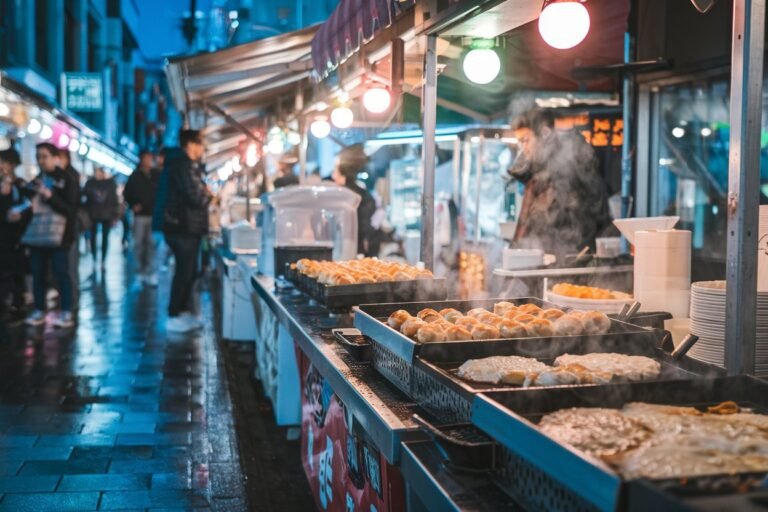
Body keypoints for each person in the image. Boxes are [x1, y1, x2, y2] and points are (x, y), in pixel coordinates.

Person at [508, 109, 611, 259]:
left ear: (544, 134)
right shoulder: (538, 173)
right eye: (520, 143)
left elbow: (585, 217)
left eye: (526, 140)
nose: (524, 149)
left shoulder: (569, 166)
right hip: (544, 260)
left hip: (570, 261)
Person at [24, 143, 79, 328]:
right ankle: (39, 309)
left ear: (56, 157)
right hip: (38, 235)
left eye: (45, 156)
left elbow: (71, 209)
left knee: (61, 273)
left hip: (60, 236)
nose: (41, 160)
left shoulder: (67, 179)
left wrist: (49, 196)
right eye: (38, 156)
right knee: (38, 273)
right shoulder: (37, 180)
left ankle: (66, 311)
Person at [162, 130, 212, 333]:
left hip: (186, 227)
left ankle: (181, 313)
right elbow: (195, 198)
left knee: (189, 271)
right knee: (184, 272)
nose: (202, 149)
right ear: (191, 144)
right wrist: (208, 195)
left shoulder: (186, 166)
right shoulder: (184, 166)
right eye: (201, 145)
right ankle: (174, 314)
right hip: (183, 228)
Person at [0, 148, 32, 322]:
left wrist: (20, 217)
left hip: (17, 239)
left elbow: (29, 209)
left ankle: (18, 306)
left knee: (16, 274)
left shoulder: (20, 185)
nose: (1, 166)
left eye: (4, 162)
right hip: (3, 238)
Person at [331, 144, 378, 256]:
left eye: (335, 170)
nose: (333, 175)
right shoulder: (362, 193)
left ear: (343, 172)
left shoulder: (346, 195)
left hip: (349, 248)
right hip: (356, 247)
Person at [123, 150, 160, 285]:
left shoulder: (156, 175)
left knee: (151, 244)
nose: (149, 161)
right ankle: (140, 271)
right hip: (139, 216)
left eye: (151, 158)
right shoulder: (135, 176)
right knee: (138, 244)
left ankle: (150, 272)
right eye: (147, 158)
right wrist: (133, 205)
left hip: (153, 215)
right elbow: (126, 193)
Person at [83, 167, 119, 268]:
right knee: (94, 237)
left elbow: (114, 200)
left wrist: (114, 215)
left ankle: (102, 260)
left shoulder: (109, 183)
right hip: (93, 215)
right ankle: (95, 258)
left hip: (105, 215)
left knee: (104, 238)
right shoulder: (91, 183)